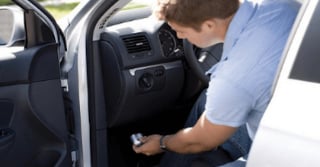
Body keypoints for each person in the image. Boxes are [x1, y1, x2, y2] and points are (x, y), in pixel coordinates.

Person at [133, 0, 300, 166]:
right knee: (205, 102)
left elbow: (199, 142)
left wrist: (162, 143)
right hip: (299, 118)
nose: (179, 37)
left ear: (209, 25)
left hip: (294, 155)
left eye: (181, 31)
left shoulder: (233, 78)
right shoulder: (280, 5)